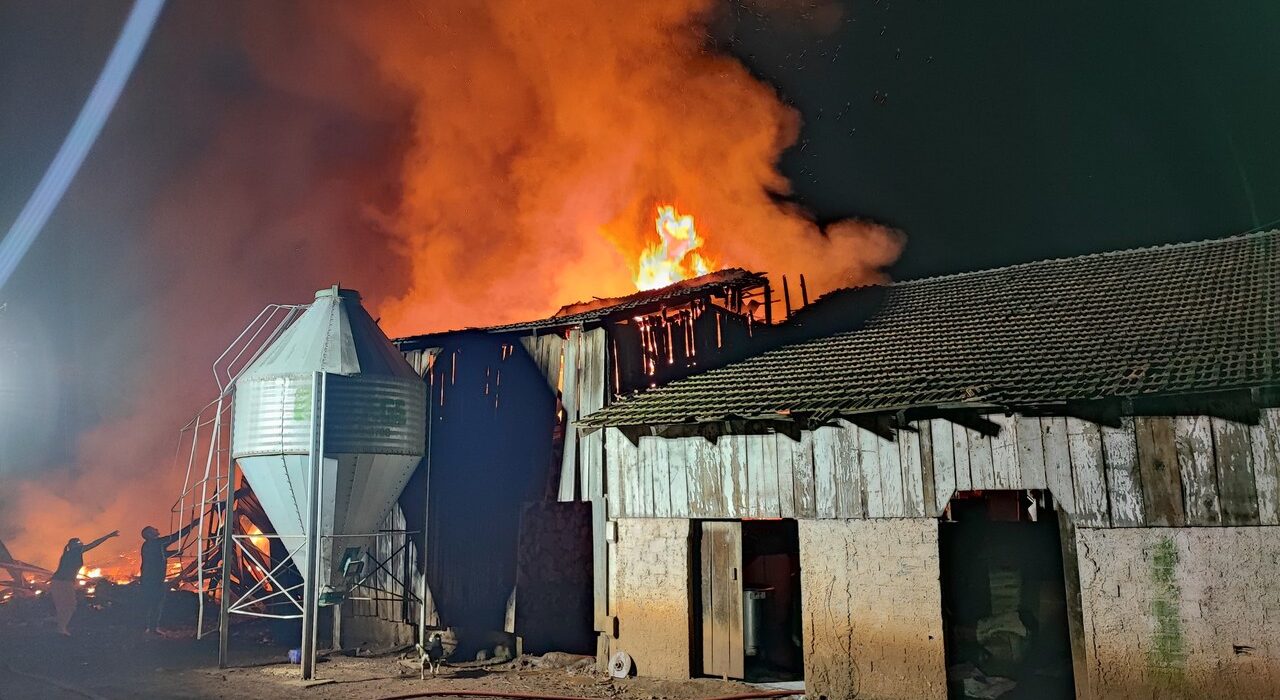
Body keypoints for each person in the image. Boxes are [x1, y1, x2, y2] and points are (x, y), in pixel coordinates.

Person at [49, 531, 119, 636]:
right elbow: (94, 544)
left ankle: (57, 624)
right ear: (74, 545)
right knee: (70, 605)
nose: (81, 544)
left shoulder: (68, 554)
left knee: (63, 606)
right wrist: (108, 536)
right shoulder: (75, 552)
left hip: (59, 582)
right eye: (79, 542)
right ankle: (60, 628)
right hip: (63, 583)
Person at [139, 522, 194, 633]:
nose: (156, 528)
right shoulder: (158, 542)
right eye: (153, 528)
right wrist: (192, 526)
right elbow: (176, 536)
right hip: (155, 579)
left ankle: (148, 627)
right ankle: (152, 627)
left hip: (148, 579)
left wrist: (176, 553)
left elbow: (161, 554)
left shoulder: (147, 545)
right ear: (149, 534)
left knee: (150, 602)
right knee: (156, 603)